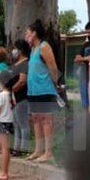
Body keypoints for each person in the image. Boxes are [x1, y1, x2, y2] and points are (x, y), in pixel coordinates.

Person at [24, 19, 61, 163]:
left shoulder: (44, 47)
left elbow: (53, 67)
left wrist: (55, 83)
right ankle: (38, 150)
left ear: (34, 33)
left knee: (46, 121)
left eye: (27, 33)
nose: (25, 35)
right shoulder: (33, 49)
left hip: (45, 89)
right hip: (33, 90)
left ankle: (48, 152)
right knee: (36, 120)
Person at [0, 71, 16, 180]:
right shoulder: (11, 94)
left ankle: (4, 173)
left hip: (1, 122)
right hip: (9, 122)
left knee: (4, 149)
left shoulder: (1, 95)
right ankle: (5, 171)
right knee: (6, 148)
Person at [8, 39, 32, 156]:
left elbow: (22, 81)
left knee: (23, 124)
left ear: (21, 50)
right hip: (14, 98)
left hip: (22, 97)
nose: (13, 51)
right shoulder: (16, 64)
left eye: (15, 48)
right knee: (16, 123)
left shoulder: (25, 63)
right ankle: (16, 148)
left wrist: (11, 90)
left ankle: (24, 148)